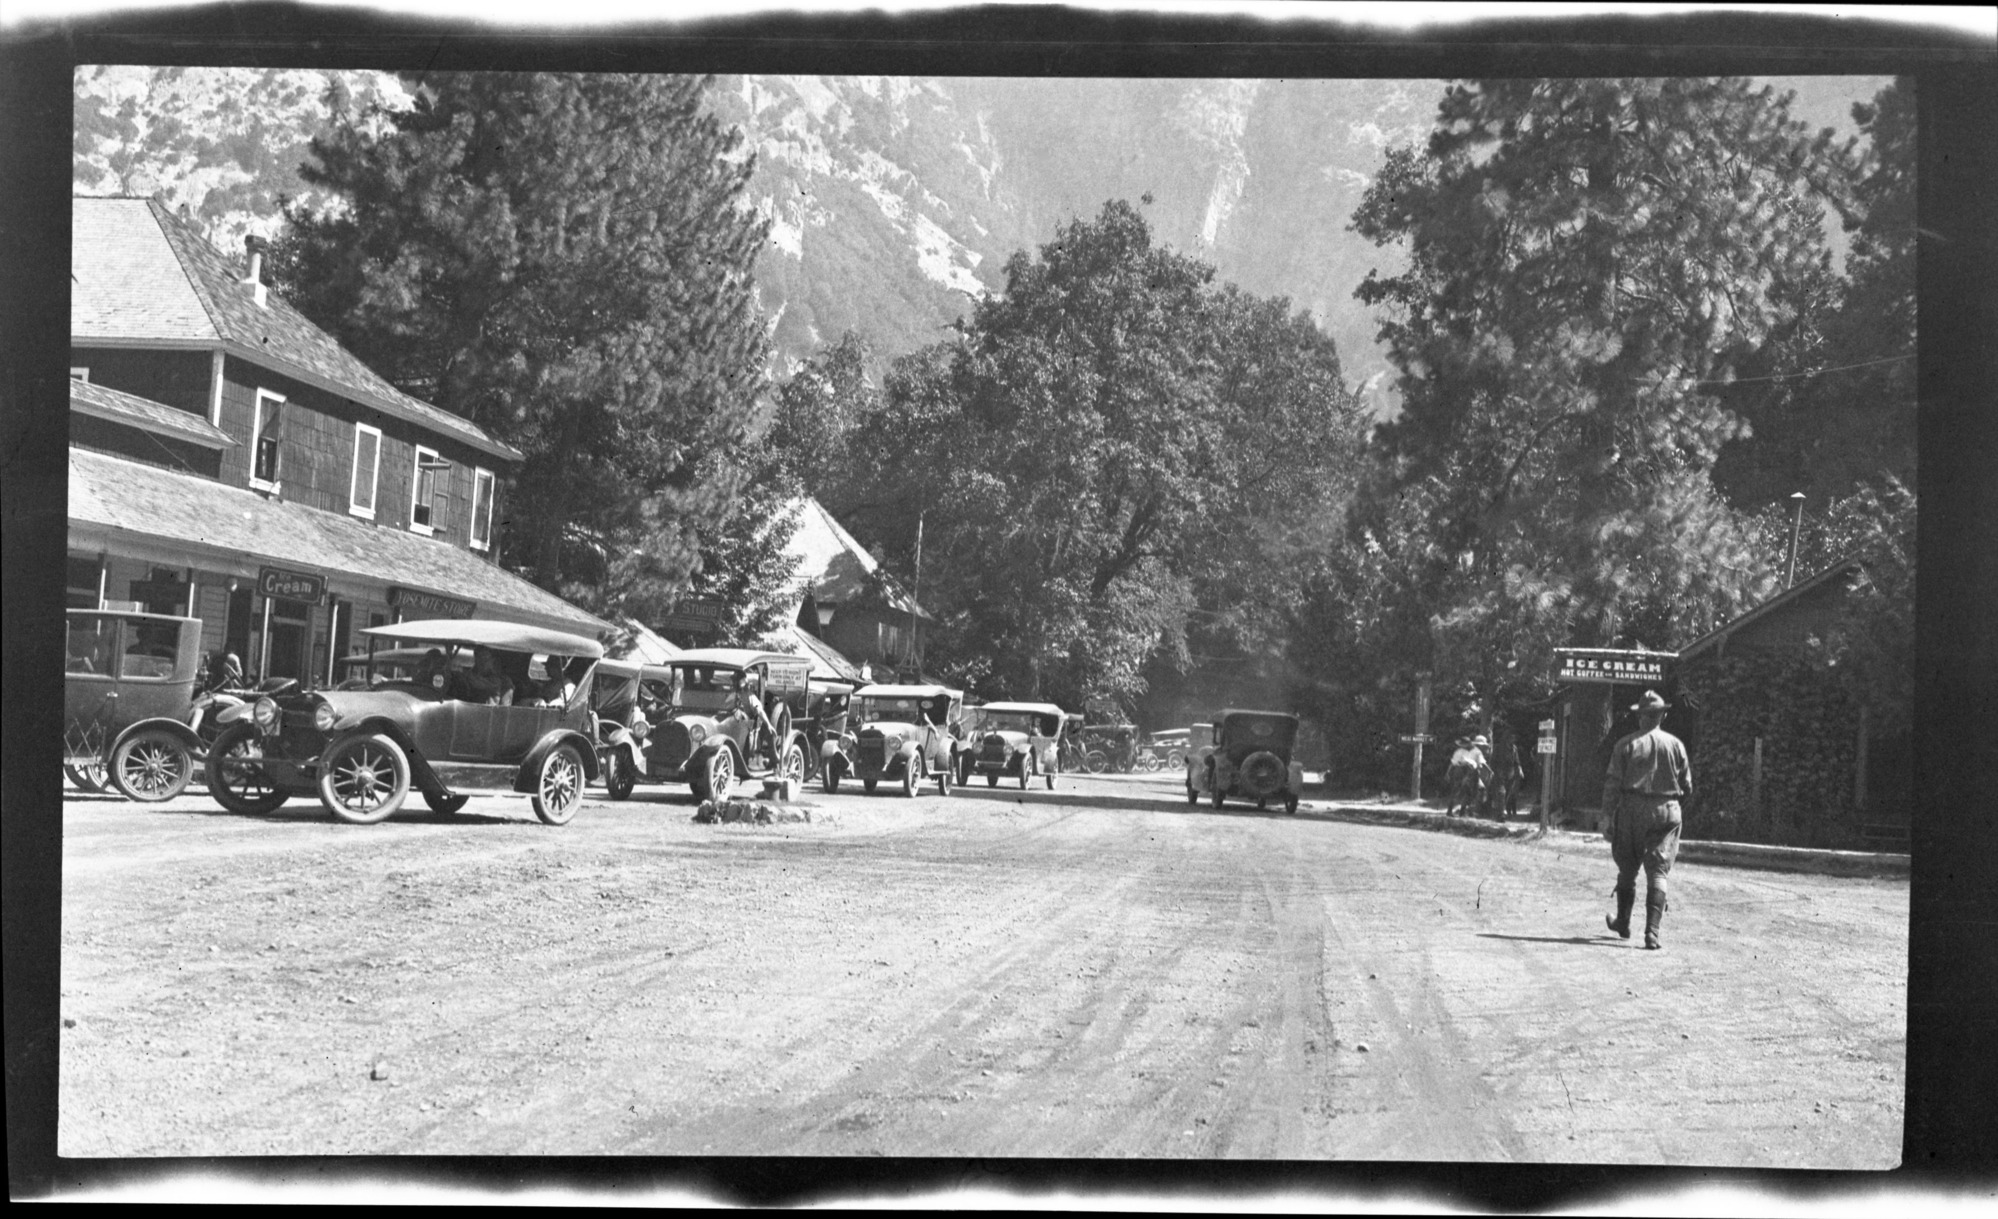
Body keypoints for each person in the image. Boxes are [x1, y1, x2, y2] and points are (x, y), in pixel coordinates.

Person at [1601, 690, 1693, 950]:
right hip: (1668, 809)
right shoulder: (1676, 745)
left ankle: (1623, 922)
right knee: (1659, 871)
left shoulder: (1625, 744)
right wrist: (1672, 807)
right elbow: (1688, 786)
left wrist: (1607, 816)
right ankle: (1652, 933)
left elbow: (1612, 784)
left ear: (1640, 716)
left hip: (1632, 809)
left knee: (1628, 867)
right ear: (1662, 715)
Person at [1445, 735, 1492, 816]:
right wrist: (1448, 773)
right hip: (1460, 772)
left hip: (1472, 772)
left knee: (1472, 791)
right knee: (1457, 791)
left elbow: (1482, 762)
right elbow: (1453, 763)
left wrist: (1489, 771)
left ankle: (1464, 811)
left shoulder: (1476, 751)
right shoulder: (1459, 751)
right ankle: (1450, 810)